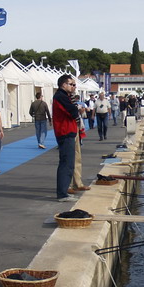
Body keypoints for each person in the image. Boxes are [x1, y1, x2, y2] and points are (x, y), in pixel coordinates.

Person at [52, 74, 80, 202]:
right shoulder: (60, 96)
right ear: (64, 84)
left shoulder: (65, 96)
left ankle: (63, 191)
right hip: (65, 132)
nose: (74, 87)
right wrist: (77, 109)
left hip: (67, 131)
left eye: (74, 85)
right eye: (71, 84)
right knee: (66, 163)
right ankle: (62, 193)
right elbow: (72, 111)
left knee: (68, 162)